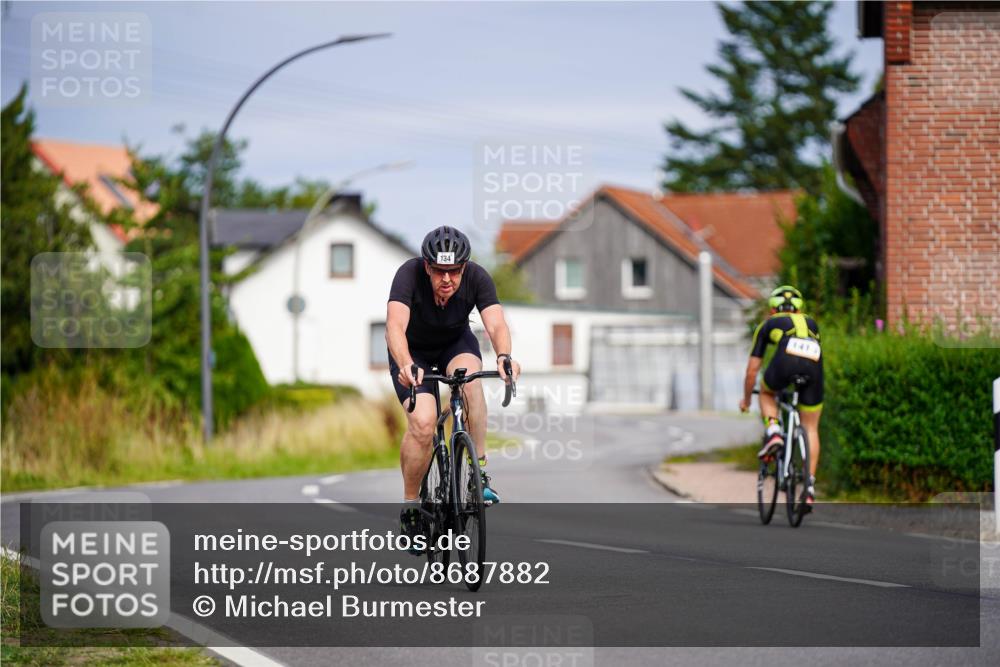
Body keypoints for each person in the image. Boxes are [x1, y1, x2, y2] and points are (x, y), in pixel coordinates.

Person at [385, 225, 521, 548]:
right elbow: (394, 326)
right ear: (427, 267)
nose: (447, 279)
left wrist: (504, 356)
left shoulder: (478, 277)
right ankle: (411, 507)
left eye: (455, 271)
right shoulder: (407, 275)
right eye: (439, 271)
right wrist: (405, 363)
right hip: (412, 352)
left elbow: (496, 323)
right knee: (423, 423)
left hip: (454, 344)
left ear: (464, 267)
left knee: (472, 384)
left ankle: (479, 475)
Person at [739, 285, 823, 506]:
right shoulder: (812, 323)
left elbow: (752, 371)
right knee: (811, 427)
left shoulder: (768, 324)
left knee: (767, 393)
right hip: (814, 365)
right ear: (799, 309)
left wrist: (746, 400)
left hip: (785, 360)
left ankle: (774, 430)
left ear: (772, 310)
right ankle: (809, 486)